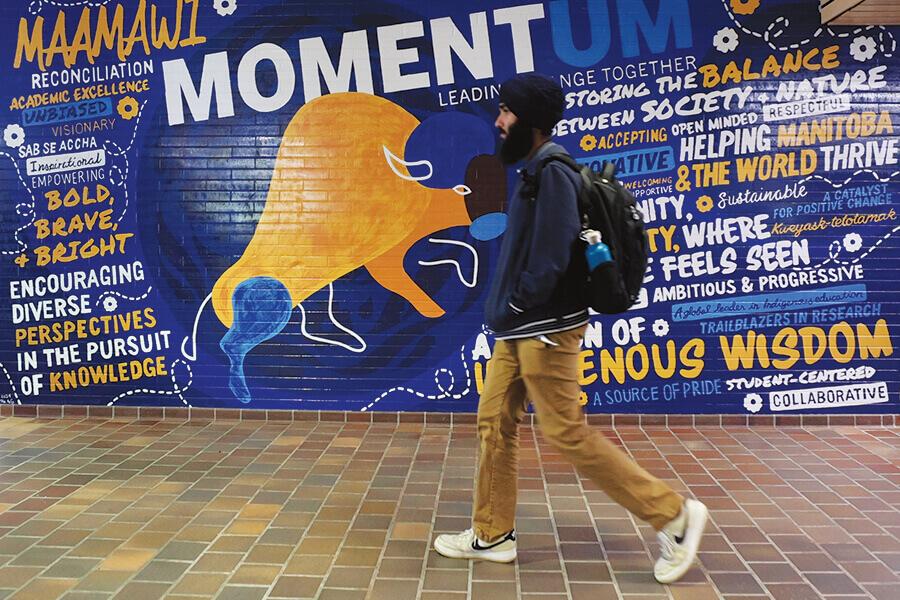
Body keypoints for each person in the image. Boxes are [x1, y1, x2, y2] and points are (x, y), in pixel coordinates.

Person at [432, 73, 708, 585]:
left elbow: (555, 253)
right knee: (493, 421)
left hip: (546, 329)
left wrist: (520, 298)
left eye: (506, 112)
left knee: (566, 432)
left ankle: (673, 516)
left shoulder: (554, 172)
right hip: (520, 329)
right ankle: (492, 534)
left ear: (530, 121)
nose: (498, 121)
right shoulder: (536, 170)